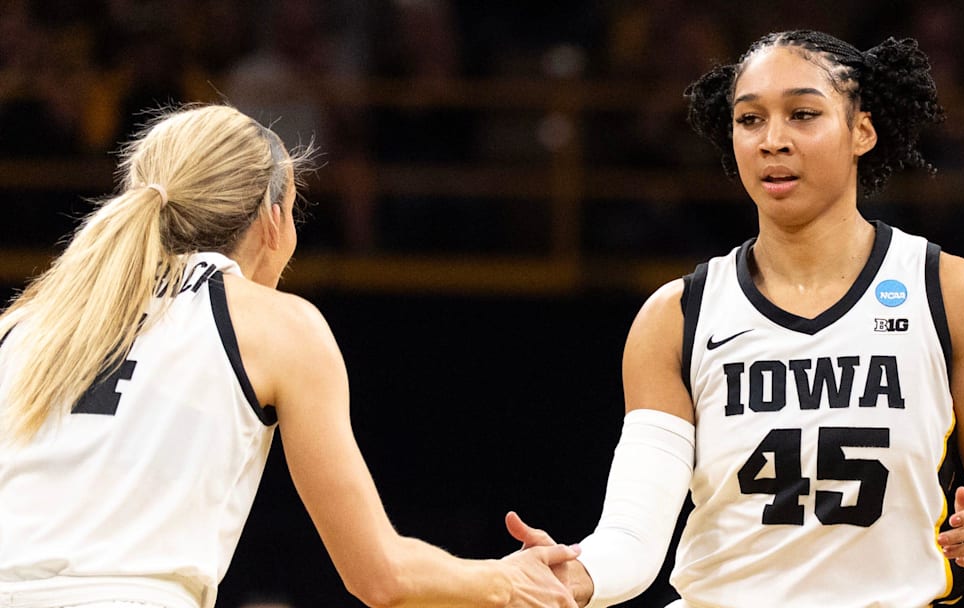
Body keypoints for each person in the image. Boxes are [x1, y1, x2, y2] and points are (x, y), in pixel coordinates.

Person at [506, 29, 964, 607]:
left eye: (802, 114)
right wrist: (577, 578)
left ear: (862, 130)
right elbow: (633, 539)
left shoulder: (948, 291)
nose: (772, 140)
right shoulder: (677, 316)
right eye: (749, 120)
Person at [0, 103, 580, 608]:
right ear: (273, 219)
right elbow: (381, 576)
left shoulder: (23, 325)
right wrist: (506, 581)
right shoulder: (277, 324)